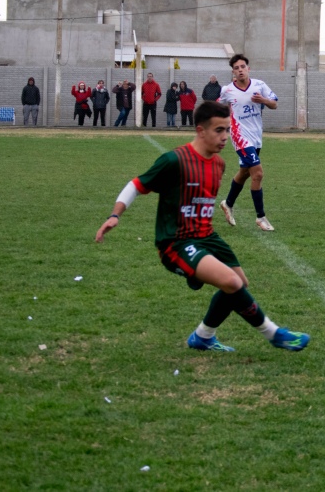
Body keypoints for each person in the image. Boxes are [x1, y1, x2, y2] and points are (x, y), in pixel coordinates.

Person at [94, 101, 310, 353]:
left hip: (207, 237)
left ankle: (203, 336)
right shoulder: (174, 160)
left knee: (239, 284)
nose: (225, 137)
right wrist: (115, 215)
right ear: (200, 130)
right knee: (231, 282)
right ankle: (274, 334)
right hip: (176, 242)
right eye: (219, 130)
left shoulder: (218, 164)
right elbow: (137, 184)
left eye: (227, 130)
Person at [218, 54, 280, 232]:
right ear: (233, 72)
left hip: (256, 136)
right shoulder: (227, 91)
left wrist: (264, 101)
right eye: (236, 68)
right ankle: (261, 217)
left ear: (248, 69)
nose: (240, 70)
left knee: (245, 172)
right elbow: (217, 107)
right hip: (239, 136)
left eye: (242, 66)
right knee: (258, 174)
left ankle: (228, 203)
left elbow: (274, 104)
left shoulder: (259, 85)